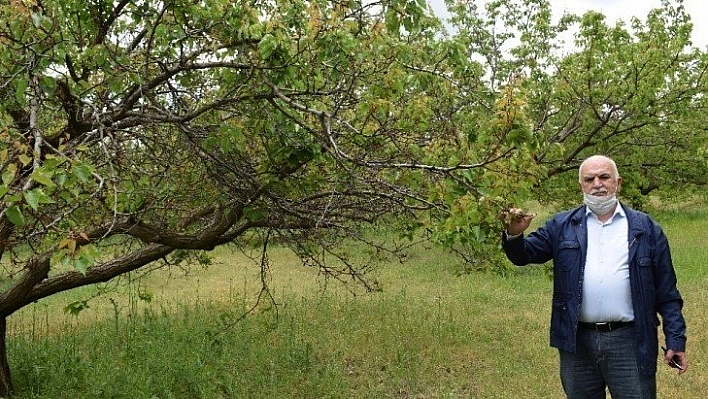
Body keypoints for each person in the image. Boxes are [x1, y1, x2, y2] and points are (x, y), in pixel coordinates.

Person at [501, 155, 688, 398]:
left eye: (604, 177)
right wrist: (514, 235)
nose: (597, 183)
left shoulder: (646, 229)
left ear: (618, 183)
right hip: (577, 341)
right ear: (581, 186)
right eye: (589, 179)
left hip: (630, 340)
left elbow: (667, 292)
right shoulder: (562, 225)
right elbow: (524, 255)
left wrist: (675, 339)